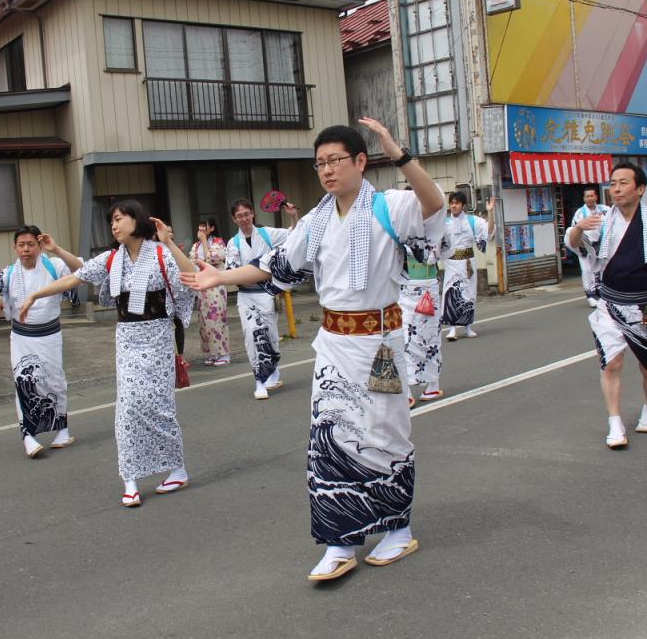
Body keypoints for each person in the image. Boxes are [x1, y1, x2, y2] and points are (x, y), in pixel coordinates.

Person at [182, 119, 445, 581]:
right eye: (320, 163)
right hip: (334, 346)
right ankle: (338, 541)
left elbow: (434, 203)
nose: (326, 170)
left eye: (335, 160)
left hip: (381, 342)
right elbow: (272, 265)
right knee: (329, 438)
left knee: (386, 435)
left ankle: (397, 529)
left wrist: (399, 154)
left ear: (361, 162)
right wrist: (220, 277)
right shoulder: (315, 221)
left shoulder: (390, 205)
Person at [20, 201, 198, 507]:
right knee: (127, 406)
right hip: (127, 339)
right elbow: (77, 276)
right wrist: (36, 293)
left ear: (136, 219)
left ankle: (177, 469)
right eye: (111, 221)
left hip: (156, 338)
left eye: (119, 219)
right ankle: (130, 479)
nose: (114, 225)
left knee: (159, 407)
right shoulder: (113, 259)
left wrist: (168, 239)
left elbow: (191, 274)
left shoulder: (159, 252)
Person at [565, 162, 647, 448]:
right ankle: (615, 422)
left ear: (639, 189)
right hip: (609, 304)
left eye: (623, 182)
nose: (616, 188)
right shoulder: (601, 219)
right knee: (611, 364)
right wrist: (577, 228)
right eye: (612, 183)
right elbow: (575, 242)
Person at [0, 226, 83, 459]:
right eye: (21, 245)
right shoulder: (9, 273)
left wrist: (56, 249)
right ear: (15, 247)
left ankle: (62, 430)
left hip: (51, 335)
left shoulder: (53, 265)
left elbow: (82, 271)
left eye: (30, 244)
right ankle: (28, 435)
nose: (25, 249)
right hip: (22, 337)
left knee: (55, 382)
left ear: (39, 245)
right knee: (25, 381)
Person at [226, 199, 299, 399]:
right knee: (251, 336)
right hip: (246, 297)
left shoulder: (267, 233)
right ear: (234, 219)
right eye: (239, 216)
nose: (244, 219)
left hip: (266, 294)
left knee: (269, 335)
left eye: (246, 214)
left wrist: (292, 216)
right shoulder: (234, 243)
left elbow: (294, 235)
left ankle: (272, 371)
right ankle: (259, 380)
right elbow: (232, 270)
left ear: (253, 214)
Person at [399, 220, 452, 405]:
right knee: (405, 338)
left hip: (428, 287)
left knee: (430, 338)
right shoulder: (399, 228)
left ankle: (433, 385)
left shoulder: (438, 228)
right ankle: (405, 391)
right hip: (405, 289)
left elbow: (447, 250)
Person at [441, 192, 495, 341]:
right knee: (451, 294)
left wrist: (490, 213)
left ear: (463, 206)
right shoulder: (444, 223)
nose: (453, 205)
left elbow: (488, 232)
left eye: (456, 203)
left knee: (468, 294)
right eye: (451, 203)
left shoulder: (473, 221)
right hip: (451, 263)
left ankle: (468, 327)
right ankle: (452, 328)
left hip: (468, 264)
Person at [189, 219, 231, 366]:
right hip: (202, 286)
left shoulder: (218, 242)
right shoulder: (196, 245)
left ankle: (224, 354)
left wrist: (205, 243)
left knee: (216, 318)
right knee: (204, 321)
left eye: (204, 226)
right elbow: (192, 261)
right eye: (199, 225)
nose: (200, 228)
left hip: (216, 286)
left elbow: (212, 259)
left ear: (212, 228)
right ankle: (212, 353)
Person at [570, 187, 610, 306]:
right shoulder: (580, 213)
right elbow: (574, 231)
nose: (590, 198)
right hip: (584, 246)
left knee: (600, 268)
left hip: (601, 245)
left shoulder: (605, 209)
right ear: (584, 198)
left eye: (592, 196)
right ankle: (590, 295)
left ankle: (600, 292)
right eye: (587, 196)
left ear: (596, 197)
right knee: (587, 270)